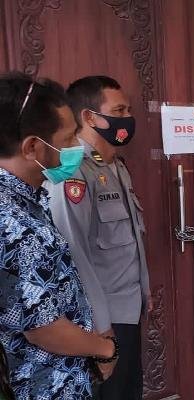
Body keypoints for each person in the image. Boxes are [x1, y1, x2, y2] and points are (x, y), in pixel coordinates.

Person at [0, 72, 118, 399]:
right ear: (32, 147)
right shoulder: (13, 223)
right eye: (67, 139)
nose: (76, 147)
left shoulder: (25, 199)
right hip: (42, 385)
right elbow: (43, 328)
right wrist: (105, 349)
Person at [44, 75, 150, 399]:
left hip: (128, 310)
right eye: (119, 110)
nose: (127, 117)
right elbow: (73, 255)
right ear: (90, 117)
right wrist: (101, 327)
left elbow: (130, 238)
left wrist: (144, 289)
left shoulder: (115, 165)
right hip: (101, 321)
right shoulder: (71, 172)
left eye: (128, 109)